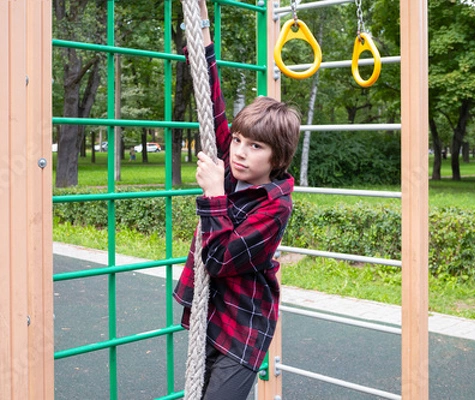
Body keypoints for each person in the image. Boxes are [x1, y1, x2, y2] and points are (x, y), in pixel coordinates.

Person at [174, 1, 301, 398]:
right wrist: (202, 32)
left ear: (277, 158)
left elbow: (219, 258)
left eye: (255, 147)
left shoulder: (275, 205)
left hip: (244, 325)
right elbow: (212, 104)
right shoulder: (232, 160)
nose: (240, 152)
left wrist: (214, 193)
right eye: (240, 142)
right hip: (210, 309)